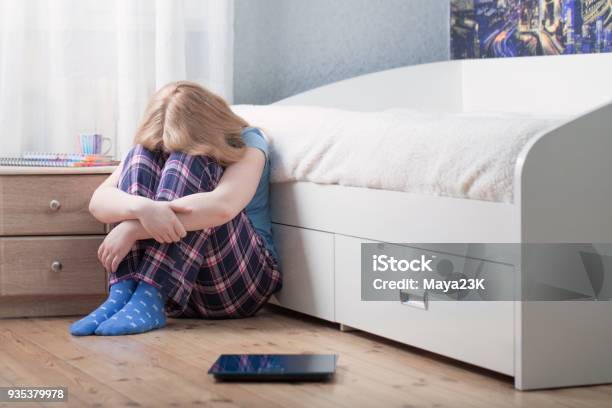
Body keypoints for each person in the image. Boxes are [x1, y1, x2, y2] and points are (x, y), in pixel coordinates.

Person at [69, 81, 281, 336]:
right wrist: (143, 208)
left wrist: (133, 228)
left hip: (239, 286)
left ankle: (149, 294)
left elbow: (223, 207)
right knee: (140, 155)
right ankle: (123, 295)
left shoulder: (249, 141)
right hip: (180, 291)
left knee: (192, 159)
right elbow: (99, 201)